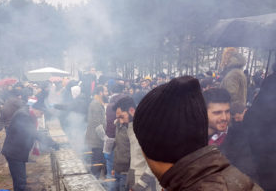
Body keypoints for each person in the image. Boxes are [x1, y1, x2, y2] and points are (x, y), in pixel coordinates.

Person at [133, 76, 262, 191]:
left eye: (227, 111)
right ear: (202, 113)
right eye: (217, 113)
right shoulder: (187, 138)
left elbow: (249, 174)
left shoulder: (238, 139)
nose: (224, 117)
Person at [2, 99, 58, 191]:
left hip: (17, 151)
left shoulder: (27, 112)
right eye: (41, 112)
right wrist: (52, 143)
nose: (42, 115)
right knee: (20, 182)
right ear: (36, 109)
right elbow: (34, 133)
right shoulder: (24, 115)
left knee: (21, 179)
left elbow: (34, 131)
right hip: (14, 152)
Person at [113, 96, 159, 191]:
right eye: (118, 118)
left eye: (122, 117)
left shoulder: (146, 130)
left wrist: (139, 186)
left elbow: (155, 163)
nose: (120, 121)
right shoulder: (130, 128)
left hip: (148, 186)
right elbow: (135, 160)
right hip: (135, 180)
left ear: (132, 111)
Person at [85, 85, 108, 178]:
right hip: (96, 140)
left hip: (96, 139)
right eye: (106, 91)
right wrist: (105, 138)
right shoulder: (95, 104)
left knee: (98, 162)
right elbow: (97, 124)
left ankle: (97, 180)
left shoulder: (98, 103)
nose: (107, 93)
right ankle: (93, 182)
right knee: (97, 163)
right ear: (100, 93)